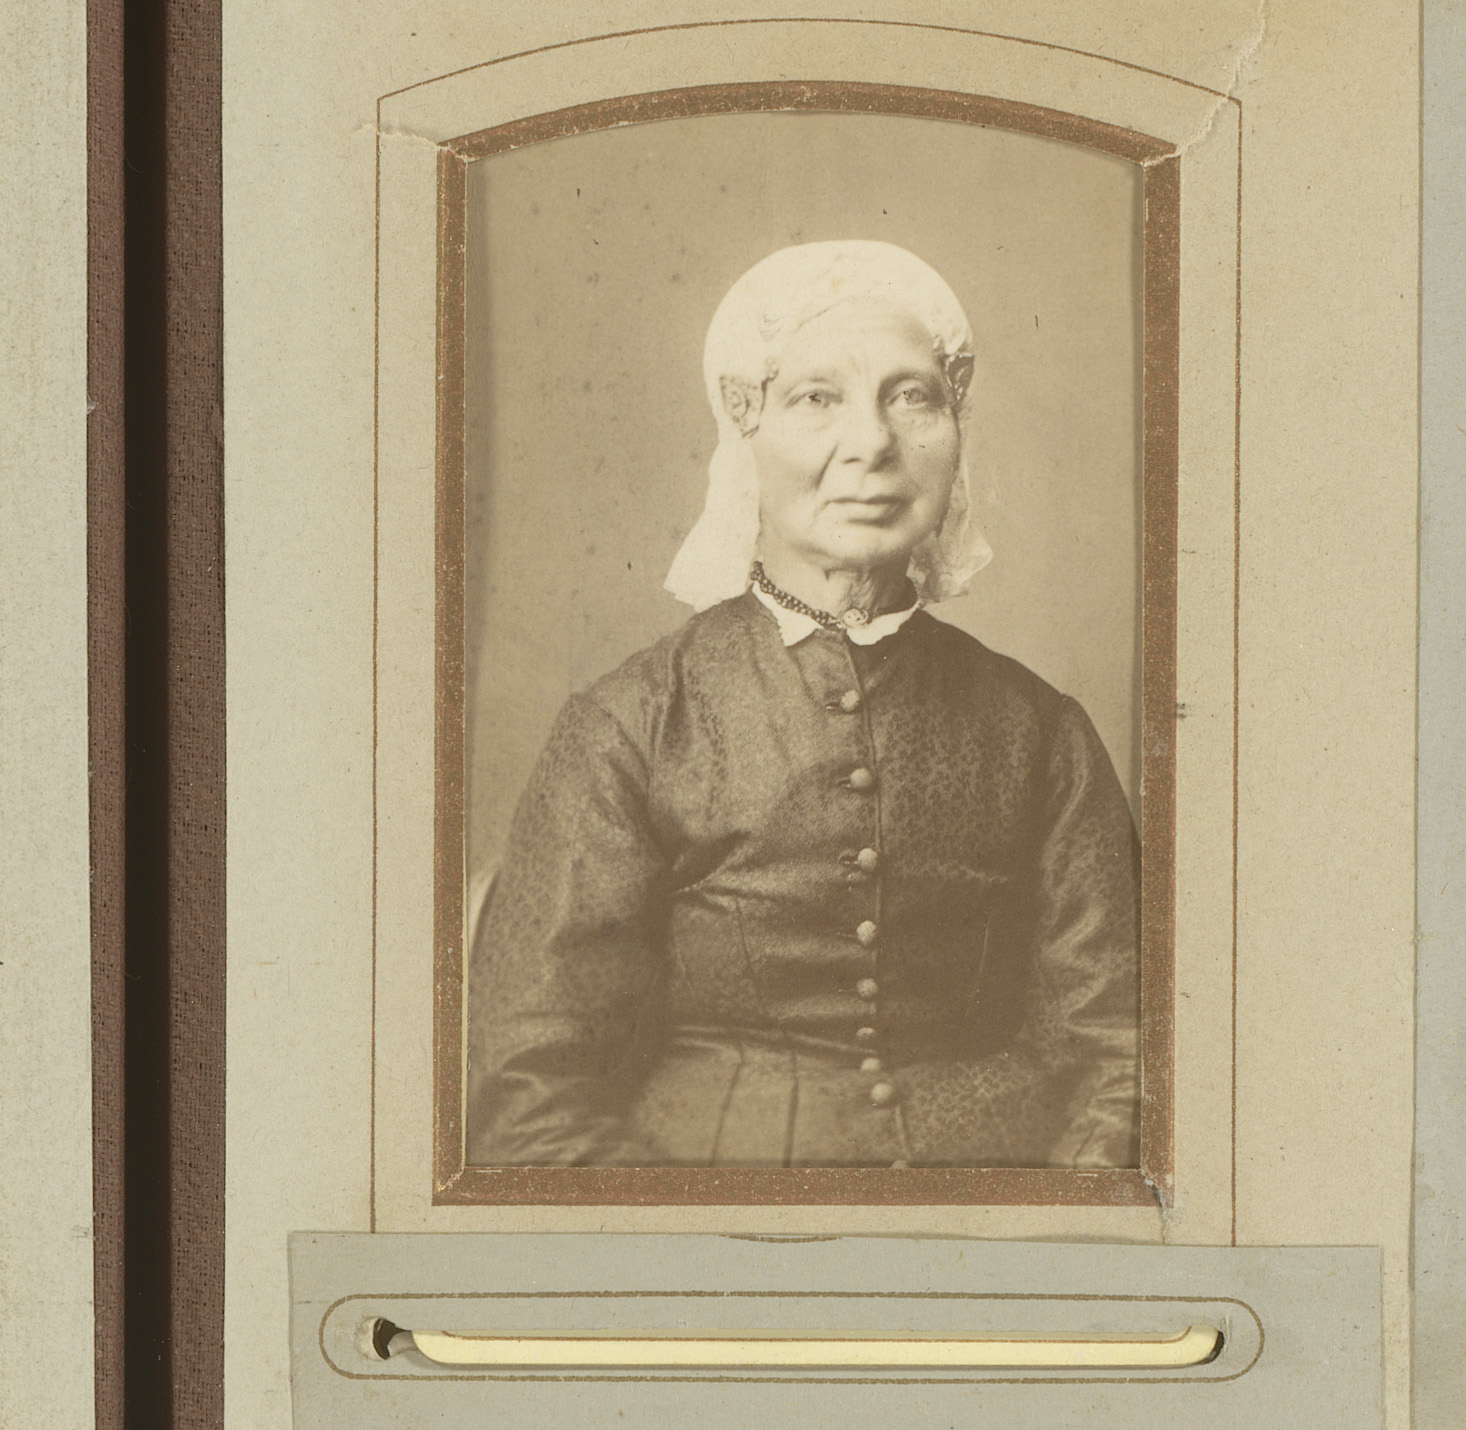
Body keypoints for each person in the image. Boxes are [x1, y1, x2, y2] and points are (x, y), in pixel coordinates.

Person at [467, 240, 1140, 1169]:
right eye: (817, 398)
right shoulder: (632, 725)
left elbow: (1123, 1060)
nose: (872, 444)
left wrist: (1041, 1237)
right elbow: (528, 1097)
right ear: (745, 429)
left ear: (955, 431)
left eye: (912, 396)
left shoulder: (1041, 732)